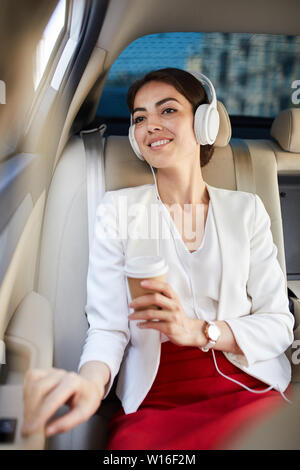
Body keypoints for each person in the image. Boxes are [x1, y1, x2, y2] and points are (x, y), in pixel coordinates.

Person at [21, 68, 294, 450]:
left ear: (204, 123)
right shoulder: (118, 211)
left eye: (167, 111)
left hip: (246, 381)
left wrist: (200, 331)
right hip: (158, 395)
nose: (151, 125)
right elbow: (108, 329)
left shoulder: (246, 209)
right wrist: (89, 383)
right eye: (139, 117)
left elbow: (279, 324)